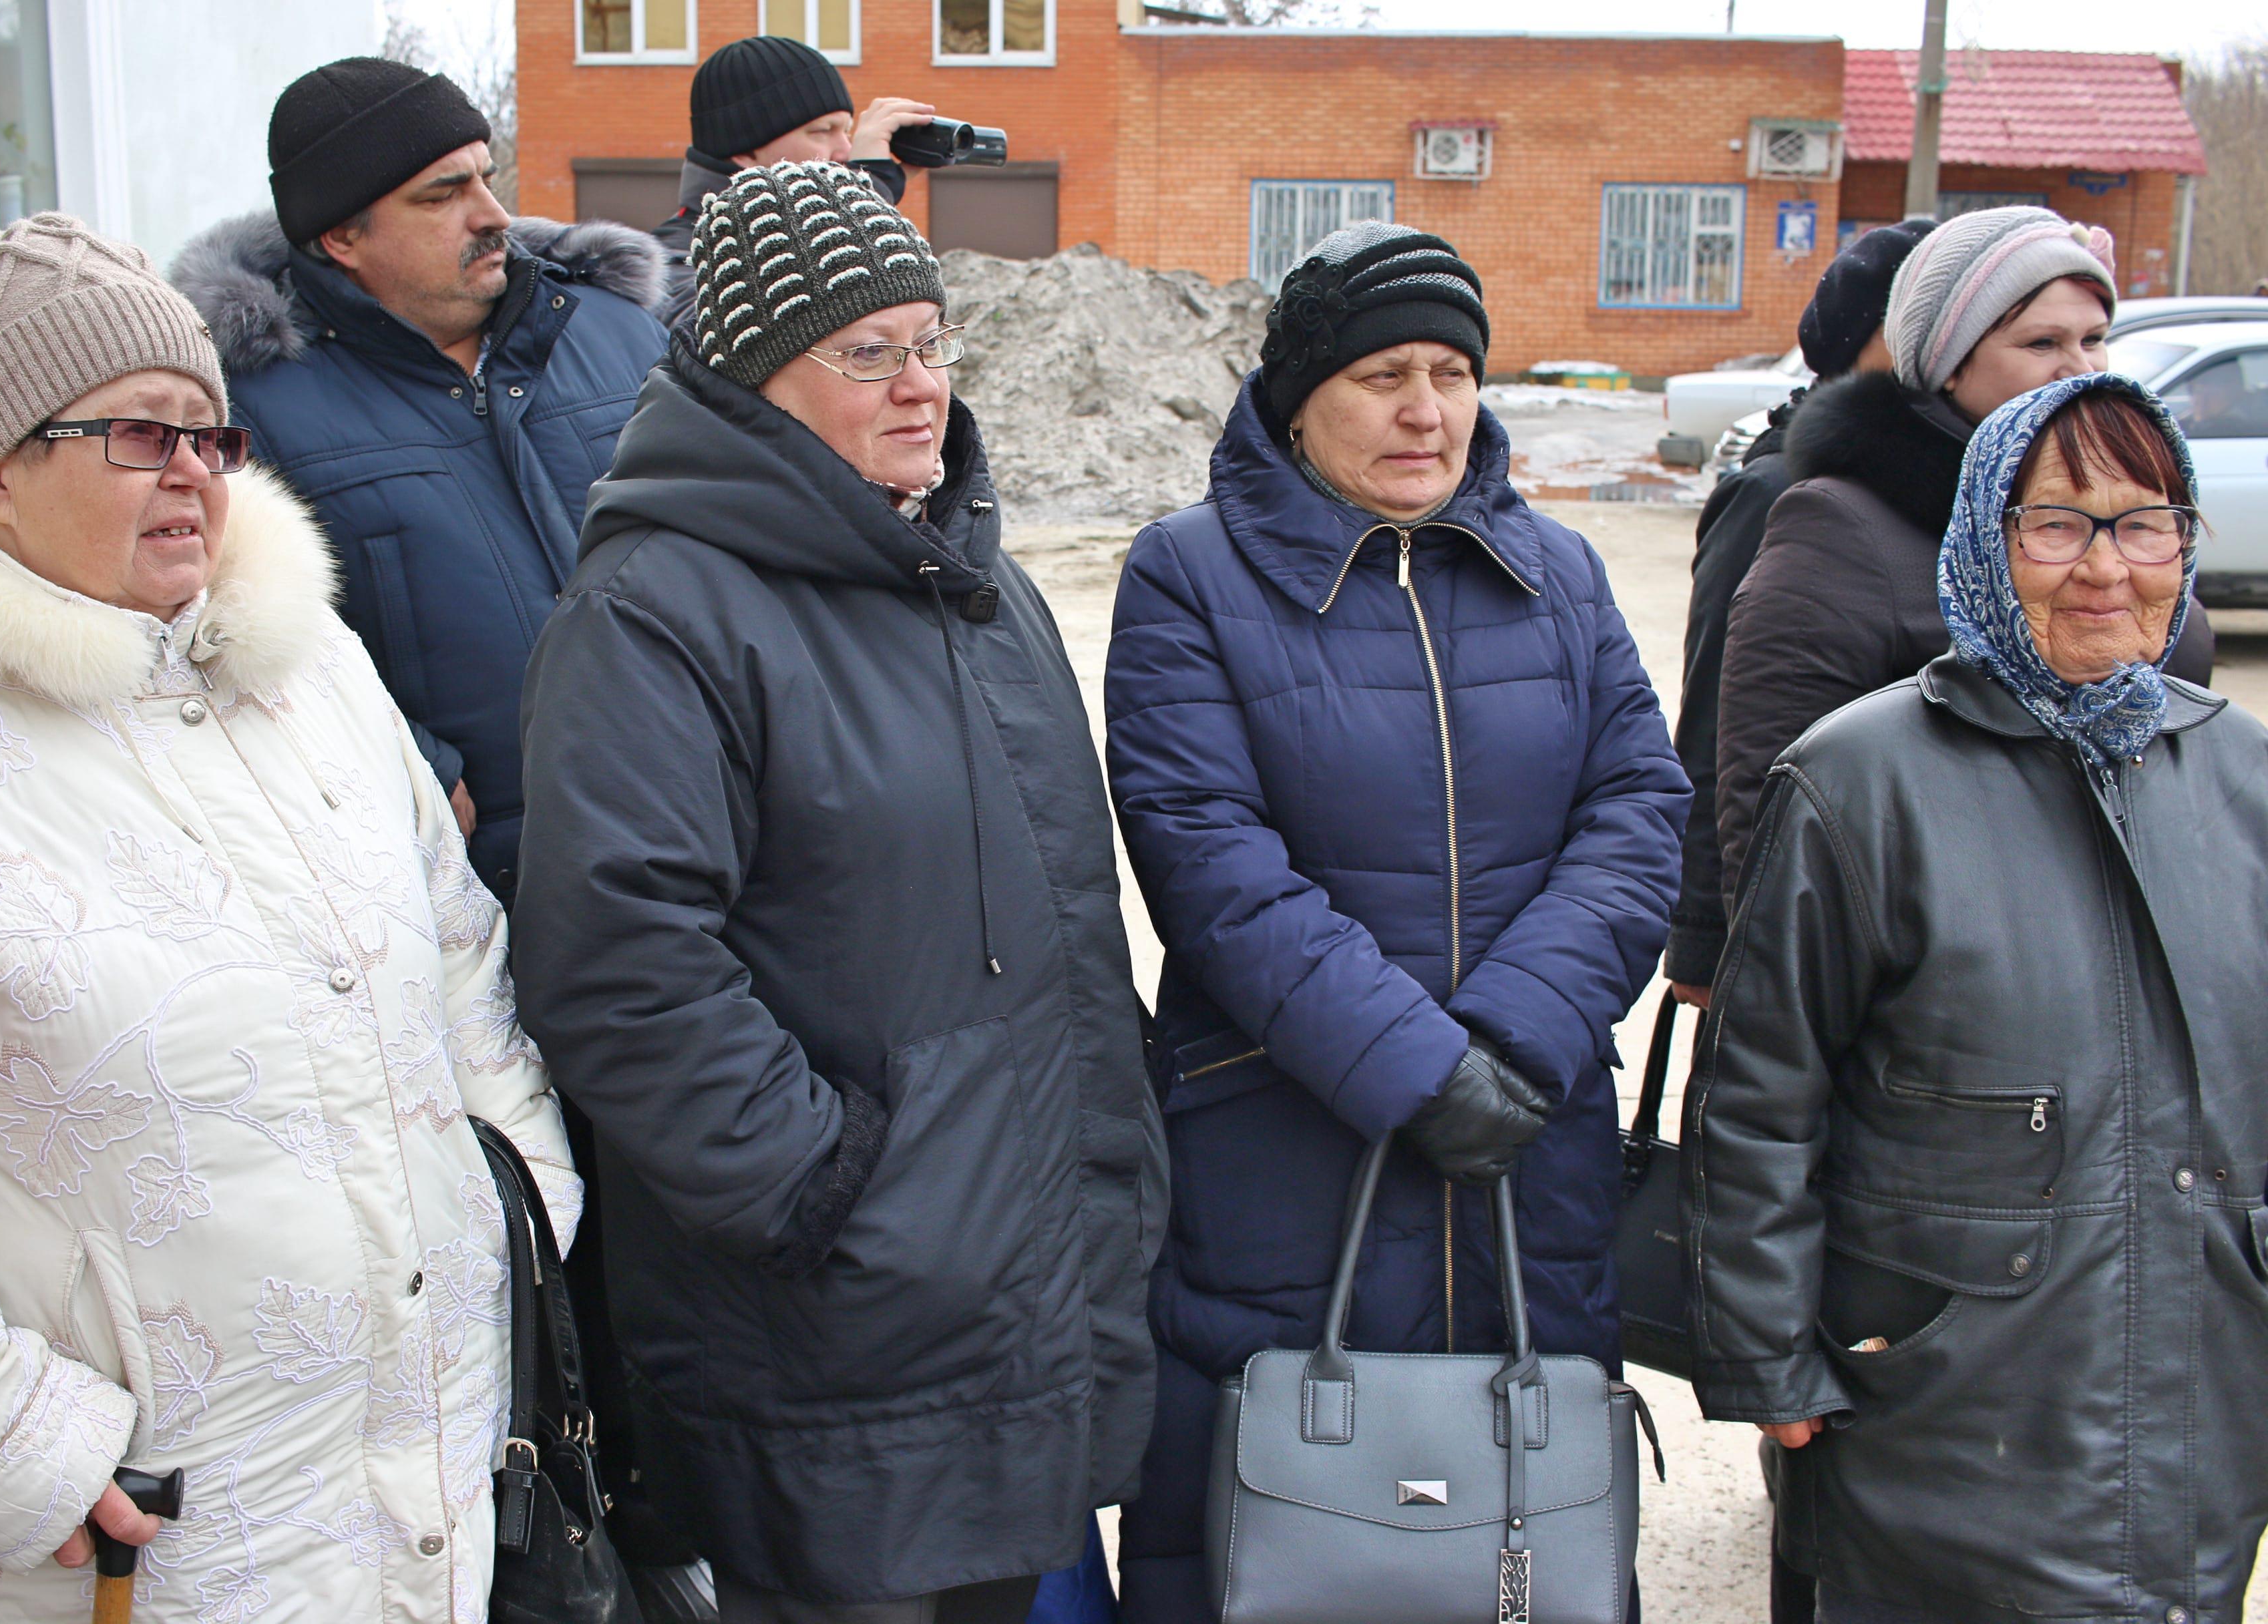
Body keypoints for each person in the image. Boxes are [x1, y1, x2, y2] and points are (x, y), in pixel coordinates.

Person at [0, 213, 576, 1621]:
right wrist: (0, 1444)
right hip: (132, 1535)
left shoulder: (308, 669)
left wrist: (520, 1210)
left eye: (210, 434)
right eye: (136, 434)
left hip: (418, 1481)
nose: (192, 469)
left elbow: (459, 960)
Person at [511, 160, 1165, 1624]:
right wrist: (827, 1184)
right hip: (832, 1328)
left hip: (1000, 1292)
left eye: (931, 341)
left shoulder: (970, 584)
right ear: (751, 379)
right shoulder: (657, 612)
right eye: (867, 352)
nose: (920, 383)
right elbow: (619, 965)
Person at [1102, 222, 1689, 1623]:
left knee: (1515, 1542)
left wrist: (1513, 1042)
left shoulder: (1563, 573)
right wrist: (1416, 1072)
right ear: (1299, 396)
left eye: (1452, 370)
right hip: (1288, 1155)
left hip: (1526, 1152)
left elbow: (1639, 808)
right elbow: (1206, 856)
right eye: (1381, 373)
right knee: (1279, 1545)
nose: (1427, 409)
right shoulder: (1191, 577)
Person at [1682, 371, 2268, 1624]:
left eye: (2145, 519)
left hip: (2197, 1385)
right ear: (1981, 541)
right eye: (2054, 522)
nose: (2105, 565)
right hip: (1938, 1391)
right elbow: (1758, 1095)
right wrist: (1765, 1355)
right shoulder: (1858, 779)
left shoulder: (2238, 776)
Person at [171, 55, 670, 907]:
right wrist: (409, 763)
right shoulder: (245, 407)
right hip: (493, 879)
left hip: (708, 813)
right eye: (442, 196)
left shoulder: (619, 334)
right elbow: (218, 647)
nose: (494, 215)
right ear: (341, 237)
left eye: (485, 175)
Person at [1712, 206, 2213, 905]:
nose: (2080, 367)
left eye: (2095, 338)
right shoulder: (1845, 525)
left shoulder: (2131, 505)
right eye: (2042, 342)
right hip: (1939, 963)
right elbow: (1771, 794)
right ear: (1951, 365)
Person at [1666, 217, 1933, 1012]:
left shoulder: (1973, 482)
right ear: (1861, 343)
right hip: (1809, 913)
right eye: (1912, 318)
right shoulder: (1778, 491)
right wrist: (1707, 939)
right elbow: (1717, 722)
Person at [650, 35, 936, 327]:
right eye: (823, 131)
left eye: (847, 131)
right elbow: (734, 341)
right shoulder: (669, 264)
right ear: (746, 151)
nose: (846, 151)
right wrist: (862, 198)